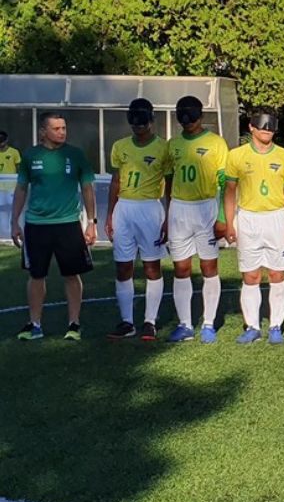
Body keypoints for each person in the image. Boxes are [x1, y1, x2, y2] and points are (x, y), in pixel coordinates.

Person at [11, 112, 96, 340]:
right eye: (57, 128)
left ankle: (74, 324)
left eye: (64, 128)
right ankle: (35, 325)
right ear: (43, 132)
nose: (62, 132)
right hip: (36, 225)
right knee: (36, 275)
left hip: (68, 224)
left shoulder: (75, 155)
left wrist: (91, 223)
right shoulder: (30, 156)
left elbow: (87, 188)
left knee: (71, 274)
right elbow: (21, 189)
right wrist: (14, 222)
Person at [224, 109, 284, 344]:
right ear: (252, 127)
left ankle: (275, 325)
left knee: (277, 273)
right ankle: (253, 327)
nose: (266, 130)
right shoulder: (236, 155)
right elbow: (229, 191)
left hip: (276, 218)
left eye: (271, 126)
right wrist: (229, 224)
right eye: (262, 125)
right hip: (247, 219)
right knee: (251, 275)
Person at [105, 99, 172, 341]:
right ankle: (126, 322)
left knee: (152, 267)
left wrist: (169, 217)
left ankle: (149, 322)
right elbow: (116, 181)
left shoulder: (163, 148)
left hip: (150, 210)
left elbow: (170, 186)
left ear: (151, 121)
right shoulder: (119, 146)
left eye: (142, 123)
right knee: (123, 266)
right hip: (124, 210)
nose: (138, 128)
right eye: (134, 124)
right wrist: (110, 214)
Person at [165, 96, 229, 343]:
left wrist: (222, 217)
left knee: (208, 267)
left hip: (206, 208)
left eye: (191, 117)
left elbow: (224, 183)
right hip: (179, 210)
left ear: (200, 116)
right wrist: (167, 213)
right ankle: (185, 324)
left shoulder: (216, 143)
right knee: (181, 268)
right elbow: (169, 181)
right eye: (183, 118)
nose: (188, 123)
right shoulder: (173, 145)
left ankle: (209, 323)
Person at [0, 130, 22, 234]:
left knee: (12, 208)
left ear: (6, 140)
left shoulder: (14, 152)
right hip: (0, 188)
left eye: (2, 141)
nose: (1, 144)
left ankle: (13, 229)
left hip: (11, 187)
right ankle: (4, 231)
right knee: (2, 209)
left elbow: (19, 168)